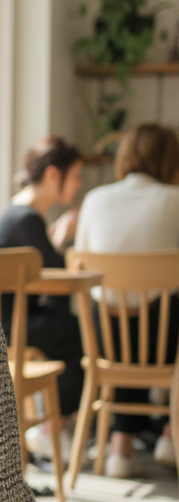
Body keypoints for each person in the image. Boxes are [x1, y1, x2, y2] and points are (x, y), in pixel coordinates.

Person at [74, 122, 179, 478]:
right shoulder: (175, 199)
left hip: (105, 340)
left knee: (122, 313)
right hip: (163, 343)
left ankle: (120, 445)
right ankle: (170, 434)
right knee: (159, 306)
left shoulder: (95, 199)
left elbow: (82, 270)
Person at [0, 135, 85, 460]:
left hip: (4, 322)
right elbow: (56, 278)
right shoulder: (26, 218)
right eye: (75, 176)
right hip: (8, 327)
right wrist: (62, 241)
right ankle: (51, 427)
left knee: (70, 329)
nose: (79, 184)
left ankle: (50, 426)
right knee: (83, 333)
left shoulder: (19, 215)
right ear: (53, 174)